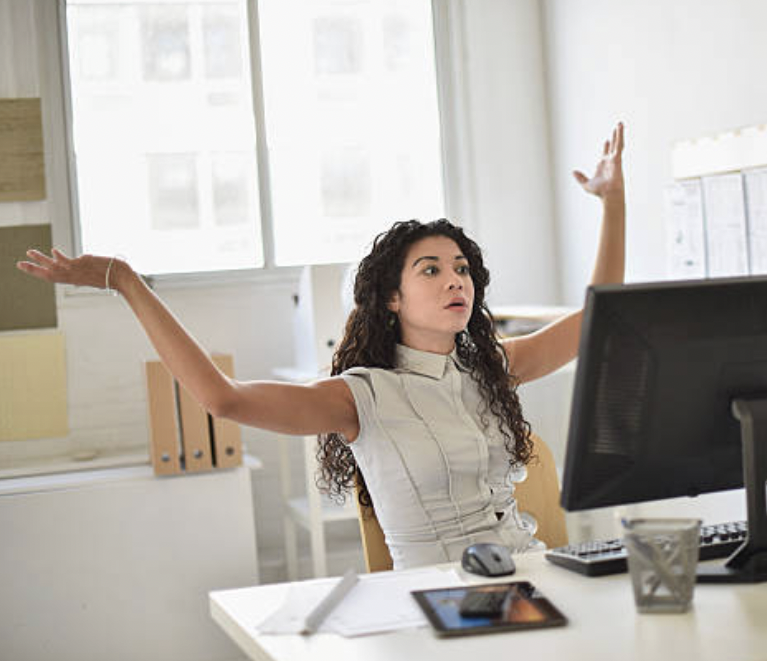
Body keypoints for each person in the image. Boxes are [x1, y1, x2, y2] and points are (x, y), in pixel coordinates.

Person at [17, 122, 626, 569]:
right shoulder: (361, 397)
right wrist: (125, 281)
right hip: (445, 605)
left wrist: (612, 202)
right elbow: (221, 398)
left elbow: (603, 317)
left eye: (462, 268)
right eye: (431, 270)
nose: (455, 280)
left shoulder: (492, 369)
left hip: (530, 578)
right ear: (391, 298)